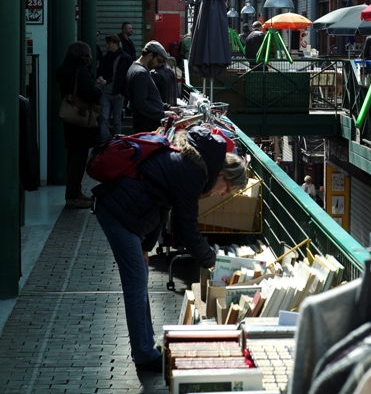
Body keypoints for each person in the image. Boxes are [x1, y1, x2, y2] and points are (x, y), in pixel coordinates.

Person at [92, 125, 248, 372]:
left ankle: (146, 347)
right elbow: (187, 230)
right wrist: (215, 264)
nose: (222, 194)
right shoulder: (194, 172)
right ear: (222, 174)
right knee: (135, 284)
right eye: (227, 188)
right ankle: (144, 355)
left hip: (126, 212)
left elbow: (163, 205)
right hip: (119, 213)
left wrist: (146, 246)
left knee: (139, 280)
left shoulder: (191, 164)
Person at [56, 41, 106, 209]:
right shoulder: (81, 72)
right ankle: (72, 196)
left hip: (70, 118)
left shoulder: (63, 70)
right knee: (79, 159)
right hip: (81, 120)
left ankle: (75, 192)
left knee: (73, 157)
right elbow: (92, 94)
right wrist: (99, 85)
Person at [126, 41, 177, 133]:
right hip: (147, 125)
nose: (160, 64)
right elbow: (141, 103)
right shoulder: (140, 73)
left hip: (145, 123)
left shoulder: (136, 68)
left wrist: (168, 107)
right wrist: (162, 114)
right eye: (159, 60)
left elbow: (150, 98)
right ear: (150, 56)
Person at [97, 34, 132, 142]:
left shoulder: (125, 59)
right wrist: (101, 79)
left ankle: (115, 142)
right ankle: (105, 140)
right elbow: (100, 72)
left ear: (116, 44)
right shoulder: (105, 58)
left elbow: (128, 77)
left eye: (109, 44)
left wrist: (123, 92)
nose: (107, 46)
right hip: (107, 91)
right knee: (104, 118)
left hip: (118, 93)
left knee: (116, 120)